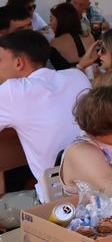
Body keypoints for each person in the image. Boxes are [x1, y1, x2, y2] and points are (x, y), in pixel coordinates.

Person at [0, 30, 90, 200]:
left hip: (59, 197)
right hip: (99, 180)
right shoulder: (76, 76)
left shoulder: (12, 91)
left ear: (19, 63)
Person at [49, 2, 95, 66]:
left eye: (51, 19)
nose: (49, 23)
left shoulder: (55, 42)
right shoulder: (89, 36)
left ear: (60, 21)